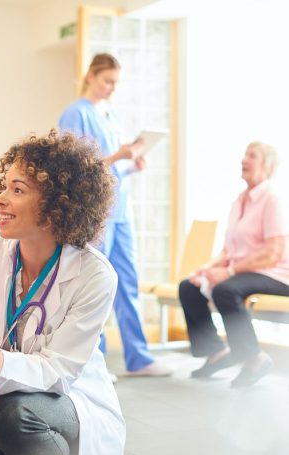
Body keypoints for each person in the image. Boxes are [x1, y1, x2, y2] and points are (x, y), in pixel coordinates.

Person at [0, 130, 126, 455]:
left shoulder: (94, 275)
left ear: (57, 205)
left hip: (68, 398)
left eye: (17, 190)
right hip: (0, 390)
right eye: (3, 186)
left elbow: (60, 368)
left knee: (16, 412)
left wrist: (0, 370)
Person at [58, 52, 171, 377]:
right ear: (91, 76)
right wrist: (116, 155)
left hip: (120, 212)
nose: (111, 88)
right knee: (96, 283)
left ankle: (139, 357)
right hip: (97, 215)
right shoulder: (75, 114)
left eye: (116, 83)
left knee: (127, 281)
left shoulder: (111, 115)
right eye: (107, 81)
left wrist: (130, 165)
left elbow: (111, 170)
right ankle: (95, 362)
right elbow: (74, 168)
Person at [179, 142, 289, 387]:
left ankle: (254, 359)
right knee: (189, 286)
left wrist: (228, 272)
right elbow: (229, 250)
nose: (244, 160)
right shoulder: (239, 201)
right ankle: (216, 352)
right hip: (245, 271)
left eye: (253, 156)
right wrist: (205, 269)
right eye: (244, 154)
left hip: (276, 274)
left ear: (267, 166)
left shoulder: (273, 199)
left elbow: (273, 252)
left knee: (225, 290)